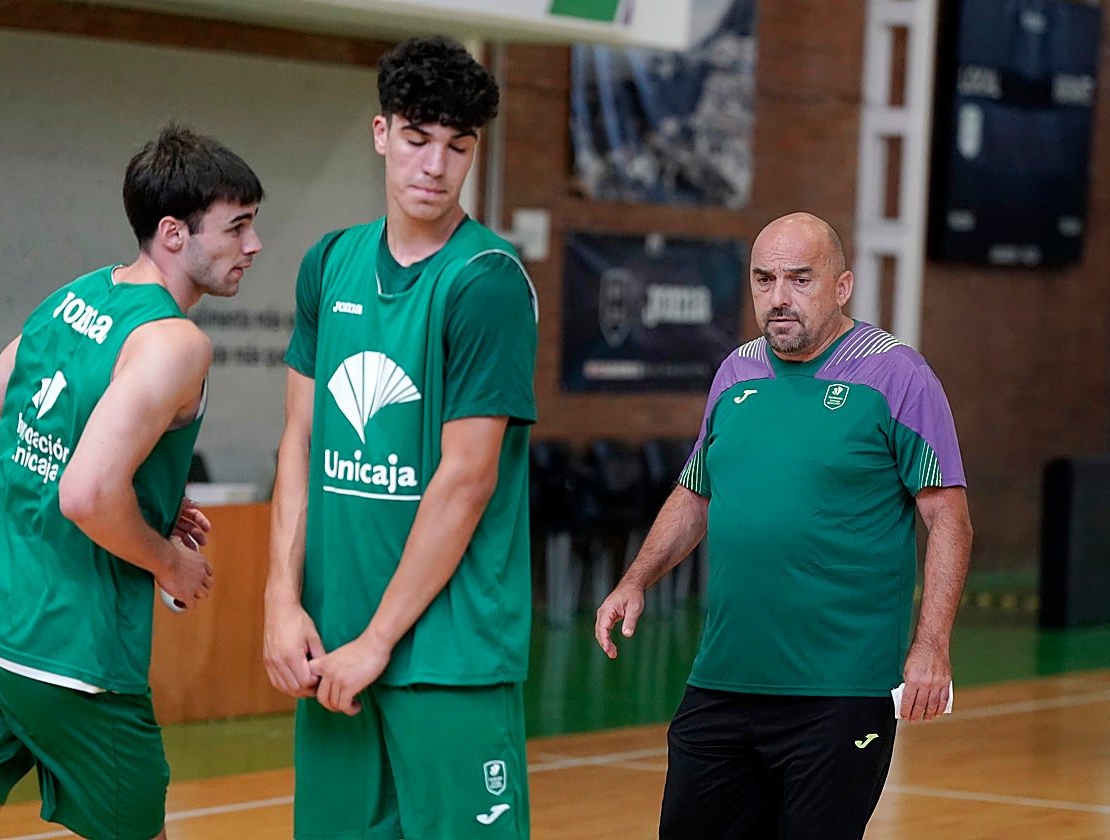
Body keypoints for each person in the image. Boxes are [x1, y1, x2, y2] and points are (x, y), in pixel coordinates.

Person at [0, 124, 264, 840]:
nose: (253, 246)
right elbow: (84, 493)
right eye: (238, 227)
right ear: (173, 232)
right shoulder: (176, 341)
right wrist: (171, 562)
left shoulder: (73, 296)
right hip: (68, 648)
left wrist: (133, 497)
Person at [595, 212, 972, 839]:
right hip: (724, 680)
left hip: (839, 691)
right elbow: (694, 495)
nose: (779, 298)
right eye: (764, 280)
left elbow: (948, 518)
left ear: (842, 286)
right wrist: (636, 579)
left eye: (800, 279)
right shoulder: (736, 372)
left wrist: (931, 647)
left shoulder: (897, 376)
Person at [264, 35, 537, 840]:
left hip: (445, 655)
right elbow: (300, 441)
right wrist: (282, 602)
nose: (435, 166)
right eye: (417, 139)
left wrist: (380, 641)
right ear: (381, 133)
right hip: (333, 646)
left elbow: (466, 478)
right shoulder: (329, 263)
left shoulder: (485, 282)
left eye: (458, 147)